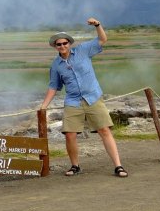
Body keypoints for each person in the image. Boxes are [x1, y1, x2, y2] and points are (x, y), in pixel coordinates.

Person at [40, 17, 128, 177]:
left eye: (65, 43)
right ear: (55, 46)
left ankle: (118, 166)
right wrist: (43, 105)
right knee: (70, 134)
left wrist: (98, 25)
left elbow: (102, 39)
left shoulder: (83, 50)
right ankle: (75, 166)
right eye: (58, 44)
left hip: (93, 97)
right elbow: (54, 86)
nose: (62, 46)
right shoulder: (56, 65)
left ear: (69, 43)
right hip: (73, 101)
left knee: (104, 130)